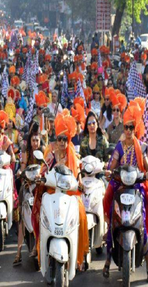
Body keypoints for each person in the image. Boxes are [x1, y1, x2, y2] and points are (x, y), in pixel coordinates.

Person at [102, 105, 148, 283]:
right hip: (120, 184)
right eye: (126, 127)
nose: (128, 130)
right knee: (108, 199)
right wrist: (110, 171)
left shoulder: (141, 146)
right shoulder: (119, 146)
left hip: (136, 186)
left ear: (136, 129)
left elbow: (147, 164)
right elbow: (113, 164)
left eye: (131, 127)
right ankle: (108, 254)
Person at [32, 110, 89, 270]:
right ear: (56, 138)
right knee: (43, 214)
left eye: (65, 139)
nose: (62, 142)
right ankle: (42, 251)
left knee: (81, 214)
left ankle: (79, 257)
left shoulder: (73, 154)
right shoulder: (49, 151)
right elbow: (43, 169)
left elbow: (77, 174)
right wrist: (39, 176)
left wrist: (80, 183)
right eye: (59, 138)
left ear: (69, 139)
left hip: (70, 195)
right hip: (51, 193)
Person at [14, 122, 44, 266]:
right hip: (28, 184)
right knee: (20, 215)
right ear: (30, 140)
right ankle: (18, 251)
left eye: (37, 140)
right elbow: (23, 167)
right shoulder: (26, 150)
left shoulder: (43, 150)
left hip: (40, 185)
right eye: (33, 140)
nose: (35, 143)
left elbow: (46, 168)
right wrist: (21, 173)